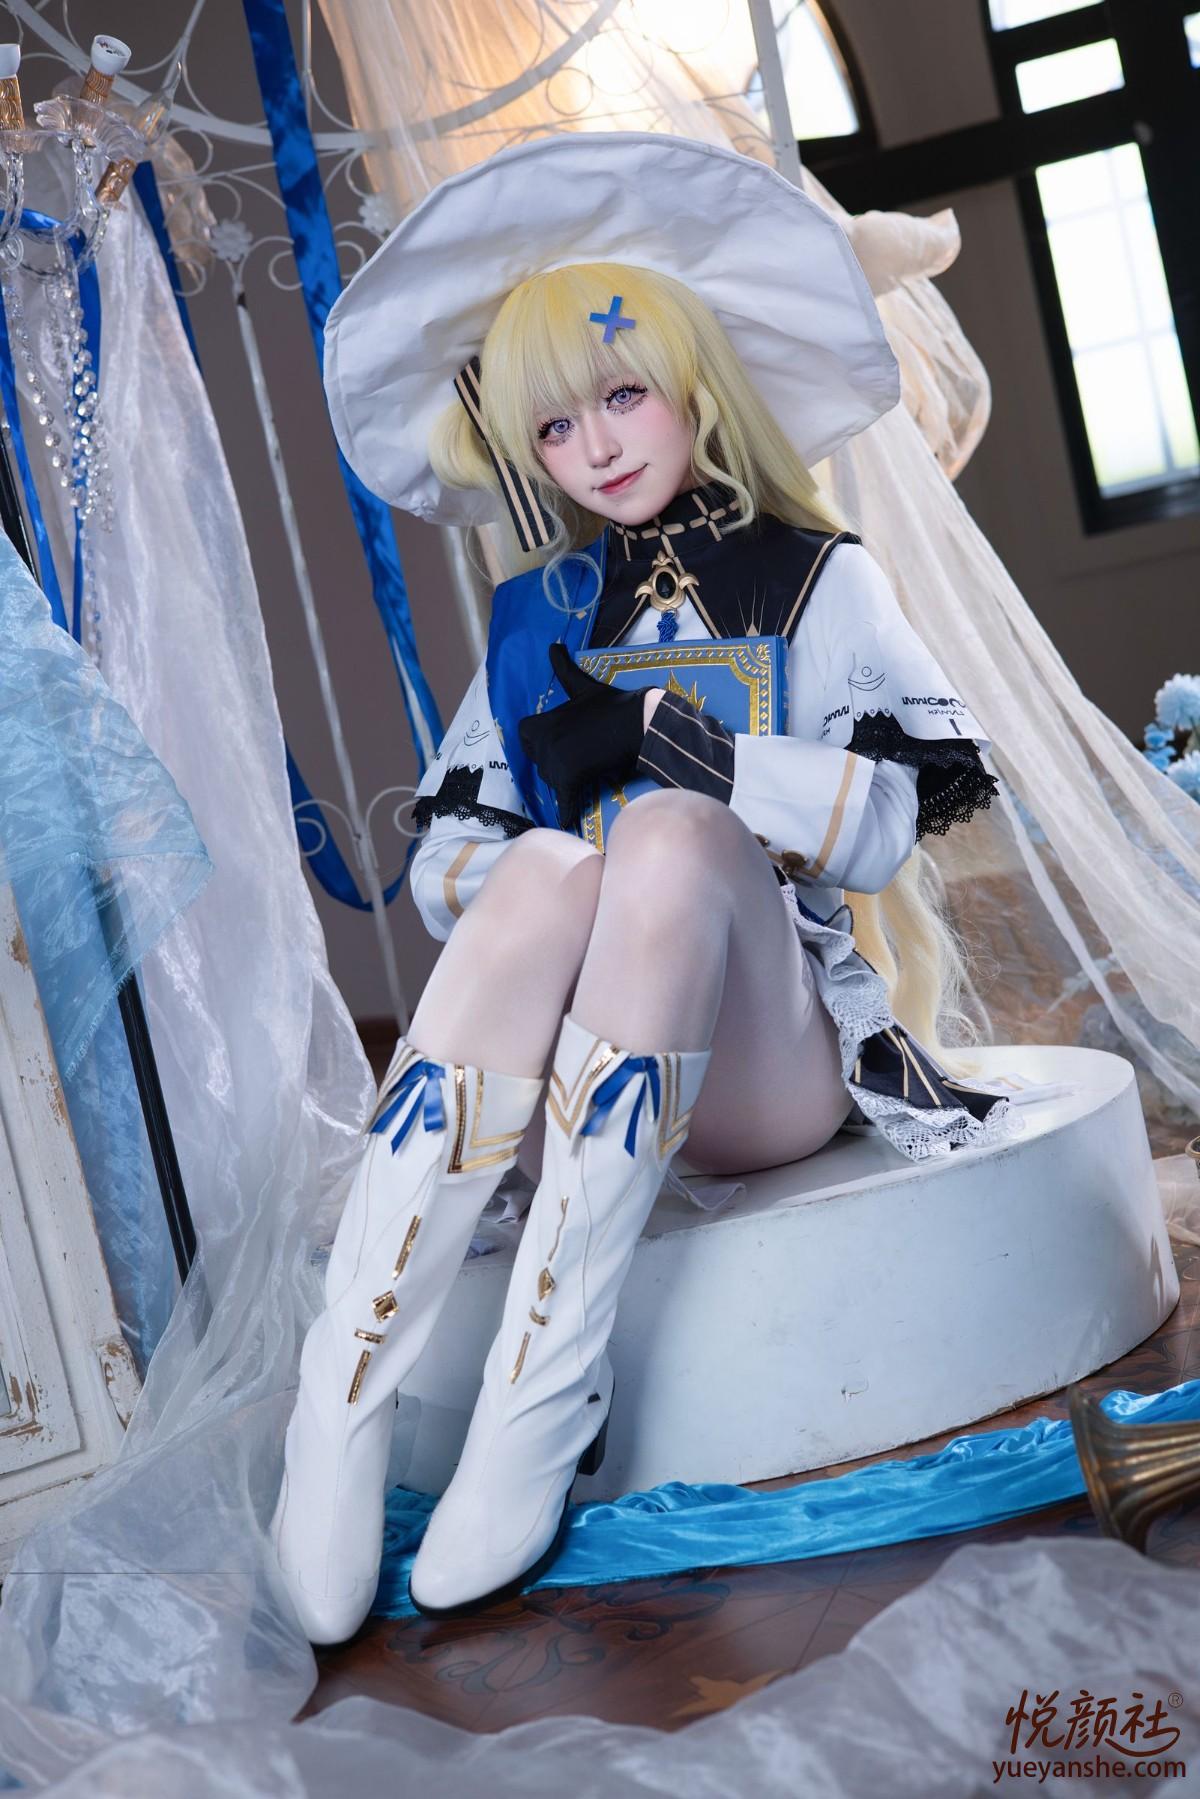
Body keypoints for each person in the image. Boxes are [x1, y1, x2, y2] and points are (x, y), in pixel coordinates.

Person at [270, 131, 1016, 1644]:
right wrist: (552, 841)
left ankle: (541, 1396)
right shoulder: (534, 613)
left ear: (692, 383)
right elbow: (450, 874)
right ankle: (336, 1408)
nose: (598, 448)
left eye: (622, 396)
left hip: (768, 1064)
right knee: (550, 862)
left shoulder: (815, 576)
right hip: (576, 1077)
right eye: (555, 426)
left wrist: (682, 751)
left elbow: (893, 819)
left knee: (669, 837)